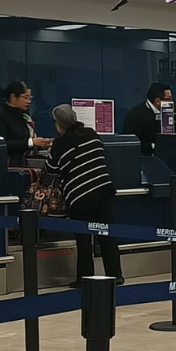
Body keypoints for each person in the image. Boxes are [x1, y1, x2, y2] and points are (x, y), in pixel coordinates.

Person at [45, 104, 122, 285]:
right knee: (107, 235)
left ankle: (85, 278)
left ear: (58, 124)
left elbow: (50, 169)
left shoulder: (59, 144)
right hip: (103, 189)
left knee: (84, 239)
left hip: (80, 196)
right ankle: (116, 275)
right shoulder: (91, 134)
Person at [0, 80, 50, 165]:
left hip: (25, 163)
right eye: (25, 97)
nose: (29, 101)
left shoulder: (24, 115)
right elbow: (0, 145)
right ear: (13, 97)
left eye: (30, 98)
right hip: (8, 165)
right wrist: (31, 142)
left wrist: (40, 144)